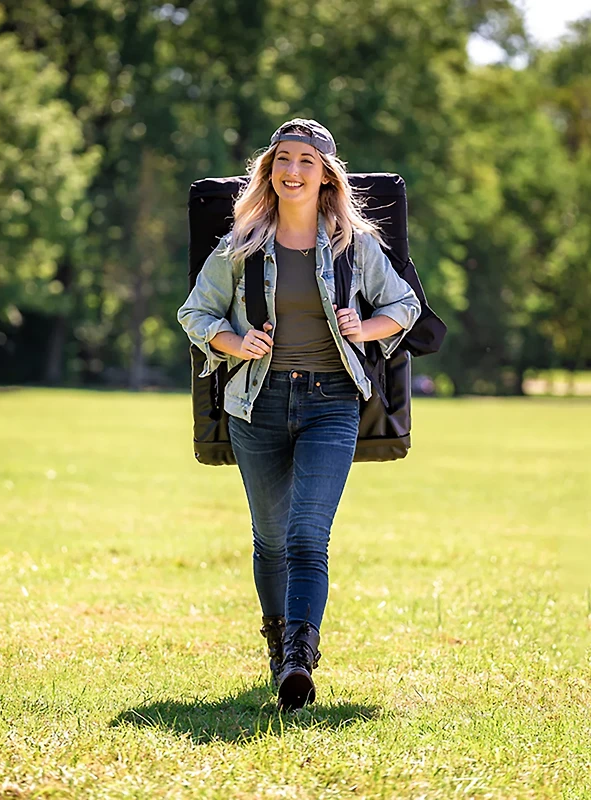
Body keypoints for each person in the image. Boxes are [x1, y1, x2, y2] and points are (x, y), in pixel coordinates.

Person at [178, 118, 420, 711]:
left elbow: (404, 304)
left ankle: (298, 662)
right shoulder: (239, 245)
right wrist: (233, 343)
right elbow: (194, 314)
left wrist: (366, 327)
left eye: (306, 161)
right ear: (269, 171)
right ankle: (276, 641)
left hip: (331, 403)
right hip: (255, 404)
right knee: (269, 540)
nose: (293, 170)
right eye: (283, 159)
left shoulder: (354, 245)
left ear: (325, 176)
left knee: (308, 535)